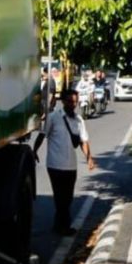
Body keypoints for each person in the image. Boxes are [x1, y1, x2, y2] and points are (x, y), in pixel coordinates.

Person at [34, 88, 96, 235]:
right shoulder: (54, 117)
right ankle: (64, 227)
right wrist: (34, 150)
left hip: (71, 166)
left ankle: (59, 224)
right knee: (60, 197)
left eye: (75, 102)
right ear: (63, 102)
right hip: (55, 165)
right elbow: (43, 135)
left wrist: (89, 159)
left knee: (67, 198)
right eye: (69, 101)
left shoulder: (79, 120)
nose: (73, 104)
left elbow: (83, 141)